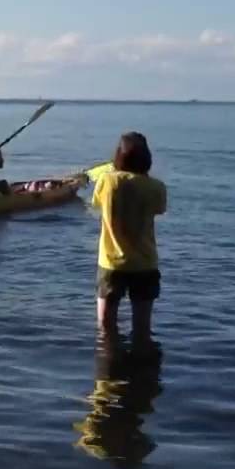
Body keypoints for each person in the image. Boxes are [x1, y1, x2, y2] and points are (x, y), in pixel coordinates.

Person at [92, 132, 167, 346]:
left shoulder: (106, 180)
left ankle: (108, 375)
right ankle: (143, 375)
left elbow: (96, 203)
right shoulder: (156, 187)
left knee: (105, 328)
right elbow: (159, 210)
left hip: (111, 263)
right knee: (142, 330)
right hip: (144, 263)